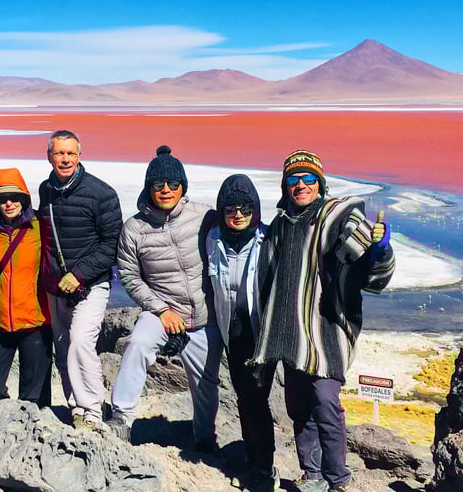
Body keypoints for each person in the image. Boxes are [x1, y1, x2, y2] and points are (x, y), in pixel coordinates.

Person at [249, 150, 395, 492]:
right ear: (285, 186)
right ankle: (311, 473)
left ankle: (337, 478)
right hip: (289, 332)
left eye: (308, 179)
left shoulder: (335, 216)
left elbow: (364, 266)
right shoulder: (280, 226)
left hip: (325, 331)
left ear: (320, 183)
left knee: (326, 401)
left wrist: (378, 250)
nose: (301, 185)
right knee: (299, 406)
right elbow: (268, 279)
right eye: (293, 179)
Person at [109, 146, 222, 452]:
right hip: (160, 311)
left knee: (206, 382)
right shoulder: (135, 229)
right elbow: (129, 276)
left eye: (173, 183)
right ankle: (121, 418)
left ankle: (204, 438)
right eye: (158, 184)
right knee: (137, 344)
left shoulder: (204, 217)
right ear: (149, 187)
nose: (166, 190)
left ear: (183, 186)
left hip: (204, 316)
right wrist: (161, 310)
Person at [38, 130, 122, 429]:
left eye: (71, 153)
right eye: (59, 153)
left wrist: (79, 274)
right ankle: (75, 406)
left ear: (79, 156)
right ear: (49, 156)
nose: (65, 159)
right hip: (56, 286)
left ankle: (93, 410)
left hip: (91, 284)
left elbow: (112, 244)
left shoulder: (101, 194)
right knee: (63, 350)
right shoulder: (46, 190)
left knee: (80, 342)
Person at [205, 174, 279, 491]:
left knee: (256, 397)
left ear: (255, 210)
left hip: (261, 333)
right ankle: (252, 458)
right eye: (231, 209)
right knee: (244, 396)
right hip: (232, 332)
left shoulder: (269, 240)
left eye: (245, 209)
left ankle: (264, 466)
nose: (238, 215)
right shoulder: (213, 240)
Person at [0, 167, 52, 408]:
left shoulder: (40, 225)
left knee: (35, 397)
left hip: (35, 320)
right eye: (2, 199)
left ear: (25, 198)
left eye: (15, 197)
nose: (9, 203)